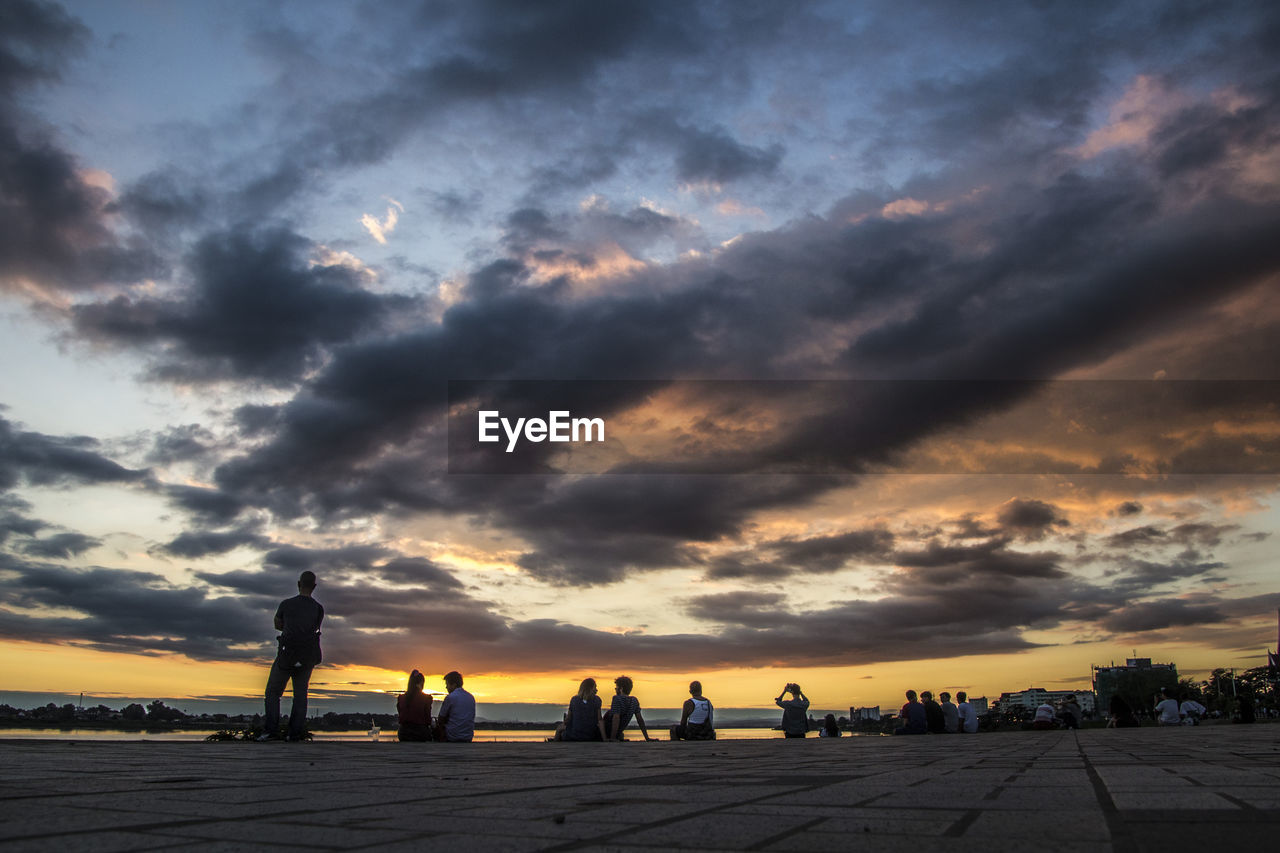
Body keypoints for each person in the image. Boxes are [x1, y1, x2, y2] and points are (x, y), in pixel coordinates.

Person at [259, 571, 324, 742]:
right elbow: (314, 628)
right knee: (301, 695)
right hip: (307, 656)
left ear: (298, 584)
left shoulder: (286, 604)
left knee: (273, 692)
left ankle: (270, 731)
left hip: (286, 654)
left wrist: (290, 628)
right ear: (314, 586)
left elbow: (277, 624)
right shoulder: (318, 608)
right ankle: (294, 734)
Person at [602, 676, 654, 741]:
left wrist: (613, 738)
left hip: (606, 732)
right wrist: (647, 737)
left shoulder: (617, 698)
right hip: (617, 733)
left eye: (616, 687)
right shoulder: (634, 701)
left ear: (621, 689)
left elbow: (616, 718)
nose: (615, 689)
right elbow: (640, 720)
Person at [433, 671, 475, 742]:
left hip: (452, 736)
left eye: (447, 684)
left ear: (454, 685)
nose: (446, 687)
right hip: (468, 737)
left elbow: (441, 719)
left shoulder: (450, 697)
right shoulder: (471, 697)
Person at [563, 677, 607, 741]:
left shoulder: (574, 700)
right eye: (595, 688)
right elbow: (600, 720)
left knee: (560, 729)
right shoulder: (597, 700)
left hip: (574, 735)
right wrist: (604, 738)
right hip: (591, 735)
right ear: (590, 689)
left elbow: (568, 719)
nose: (596, 690)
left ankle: (554, 745)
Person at [396, 669, 433, 742]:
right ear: (421, 683)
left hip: (403, 733)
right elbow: (428, 720)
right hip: (420, 733)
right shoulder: (426, 698)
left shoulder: (401, 698)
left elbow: (401, 714)